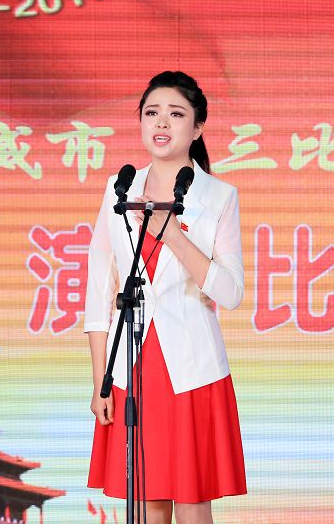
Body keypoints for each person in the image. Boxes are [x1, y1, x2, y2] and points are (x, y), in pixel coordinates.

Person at [85, 71, 246, 524]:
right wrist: (100, 382)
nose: (161, 123)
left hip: (192, 368)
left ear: (197, 128)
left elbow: (231, 292)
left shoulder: (219, 196)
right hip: (130, 367)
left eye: (176, 114)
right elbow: (100, 292)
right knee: (146, 503)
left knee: (192, 502)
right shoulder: (119, 188)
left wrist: (174, 235)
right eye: (152, 112)